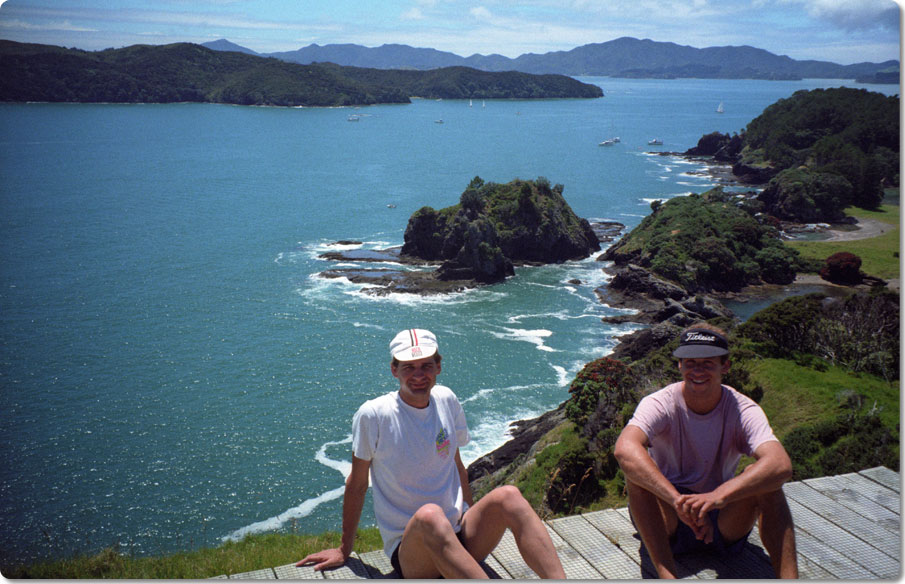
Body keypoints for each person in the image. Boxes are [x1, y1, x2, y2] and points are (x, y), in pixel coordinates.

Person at [297, 328, 566, 579]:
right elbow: (356, 483)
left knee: (510, 496)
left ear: (438, 366)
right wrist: (345, 549)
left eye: (426, 365)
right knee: (430, 515)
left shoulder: (447, 399)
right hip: (414, 552)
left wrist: (469, 515)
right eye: (408, 368)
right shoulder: (374, 415)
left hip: (458, 532)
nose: (418, 375)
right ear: (394, 370)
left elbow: (457, 466)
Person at [613, 323, 798, 579]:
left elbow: (780, 465)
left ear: (726, 366)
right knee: (638, 476)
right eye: (690, 362)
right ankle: (668, 575)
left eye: (708, 363)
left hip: (721, 517)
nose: (697, 370)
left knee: (766, 479)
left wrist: (718, 496)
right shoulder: (659, 403)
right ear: (679, 365)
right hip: (668, 518)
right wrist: (677, 501)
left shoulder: (742, 408)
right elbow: (625, 449)